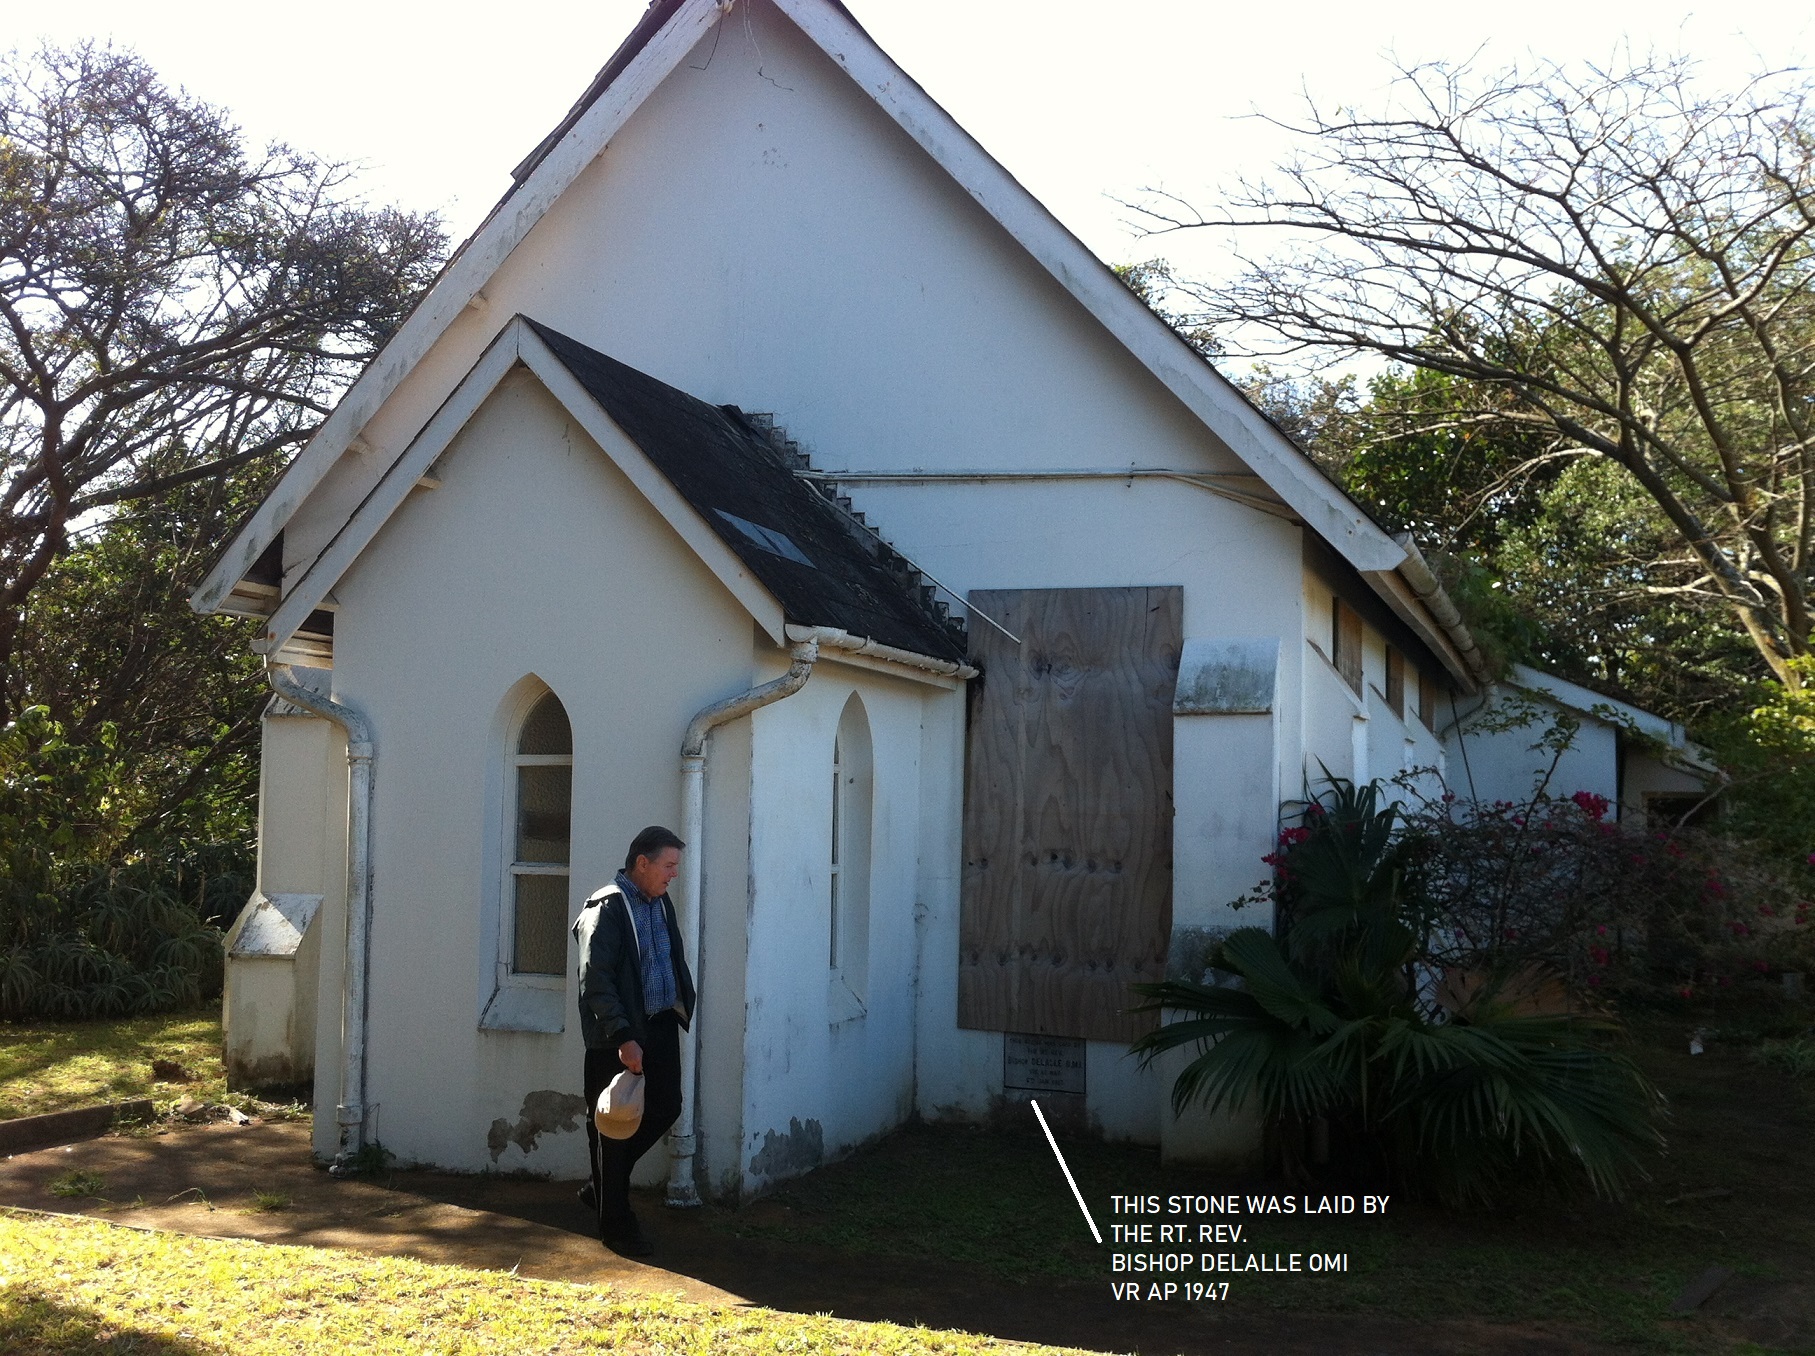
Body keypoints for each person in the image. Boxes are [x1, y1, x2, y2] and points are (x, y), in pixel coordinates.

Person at [573, 825, 695, 1256]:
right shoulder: (604, 908)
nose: (673, 875)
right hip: (619, 1039)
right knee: (612, 1128)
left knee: (667, 1105)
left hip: (659, 1028)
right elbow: (597, 981)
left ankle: (603, 1186)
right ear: (642, 863)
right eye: (668, 865)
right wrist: (624, 1037)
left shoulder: (660, 905)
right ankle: (618, 1227)